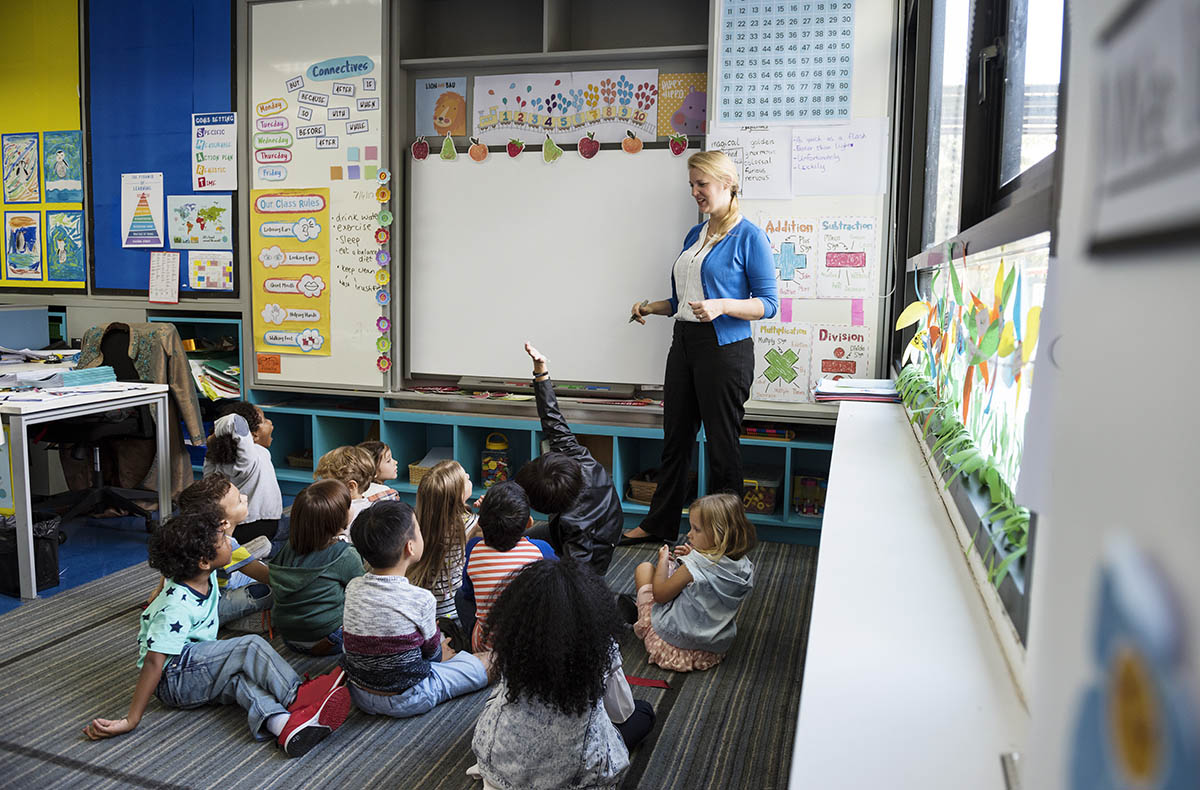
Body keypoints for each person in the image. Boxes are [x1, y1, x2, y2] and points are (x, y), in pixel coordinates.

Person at [84, 508, 350, 757]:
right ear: (203, 561)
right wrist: (132, 718)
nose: (228, 542)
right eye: (223, 541)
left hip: (194, 671)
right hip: (174, 677)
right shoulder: (174, 606)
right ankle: (298, 695)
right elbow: (155, 662)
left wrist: (219, 529)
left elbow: (243, 560)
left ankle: (283, 725)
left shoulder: (205, 572)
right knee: (248, 647)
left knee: (241, 682)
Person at [623, 150, 778, 545]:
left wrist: (723, 306)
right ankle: (659, 524)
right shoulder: (695, 235)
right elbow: (682, 301)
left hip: (725, 350)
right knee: (675, 439)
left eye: (701, 184)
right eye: (692, 185)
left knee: (722, 447)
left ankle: (728, 537)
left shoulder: (750, 236)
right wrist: (650, 307)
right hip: (685, 343)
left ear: (727, 184)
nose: (694, 192)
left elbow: (769, 304)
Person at [471, 559, 653, 790]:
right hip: (574, 774)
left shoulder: (516, 642)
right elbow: (622, 711)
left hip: (500, 762)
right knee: (644, 713)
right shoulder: (601, 649)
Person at [342, 500, 493, 718]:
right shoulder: (421, 599)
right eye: (419, 530)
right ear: (410, 547)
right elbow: (433, 655)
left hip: (359, 693)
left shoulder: (353, 587)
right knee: (487, 663)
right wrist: (443, 652)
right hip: (410, 696)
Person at [514, 342, 623, 575]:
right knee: (513, 542)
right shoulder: (575, 457)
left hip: (594, 556)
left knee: (532, 569)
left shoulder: (575, 526)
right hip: (588, 527)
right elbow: (552, 419)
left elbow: (578, 577)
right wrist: (540, 371)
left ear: (549, 508)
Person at [632, 493, 757, 672]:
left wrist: (663, 560)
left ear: (719, 533)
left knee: (644, 569)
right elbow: (710, 576)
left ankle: (639, 611)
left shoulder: (693, 567)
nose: (689, 534)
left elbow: (660, 595)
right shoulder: (743, 566)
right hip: (712, 648)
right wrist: (692, 554)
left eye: (696, 529)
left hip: (672, 645)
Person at [143, 473, 274, 630]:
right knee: (266, 592)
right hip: (208, 603)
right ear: (224, 523)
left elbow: (169, 570)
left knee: (260, 555)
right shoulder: (226, 547)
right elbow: (268, 577)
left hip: (202, 585)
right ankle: (229, 623)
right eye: (239, 500)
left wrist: (158, 590)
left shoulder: (188, 539)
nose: (245, 498)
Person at [456, 482, 556, 651]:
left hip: (487, 649)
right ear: (529, 523)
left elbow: (468, 592)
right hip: (532, 648)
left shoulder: (473, 548)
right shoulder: (541, 550)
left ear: (480, 522)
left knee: (460, 595)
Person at [268, 479, 365, 656]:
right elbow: (362, 594)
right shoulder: (345, 555)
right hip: (329, 639)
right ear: (339, 518)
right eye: (348, 506)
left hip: (289, 638)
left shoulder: (289, 547)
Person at [409, 460, 478, 625]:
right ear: (457, 495)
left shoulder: (417, 520)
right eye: (465, 478)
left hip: (422, 608)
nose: (468, 476)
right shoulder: (470, 524)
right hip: (455, 611)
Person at [203, 402, 283, 544]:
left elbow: (207, 483)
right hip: (260, 526)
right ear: (251, 435)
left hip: (230, 528)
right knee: (310, 527)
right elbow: (234, 420)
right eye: (264, 420)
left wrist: (213, 441)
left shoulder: (216, 456)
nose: (270, 422)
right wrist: (213, 437)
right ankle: (266, 551)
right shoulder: (250, 457)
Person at [314, 445, 378, 524]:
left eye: (329, 484)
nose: (324, 488)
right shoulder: (372, 507)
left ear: (351, 486)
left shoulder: (334, 513)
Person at [357, 440, 402, 506]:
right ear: (373, 470)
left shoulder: (357, 491)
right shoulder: (384, 492)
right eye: (388, 461)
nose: (395, 462)